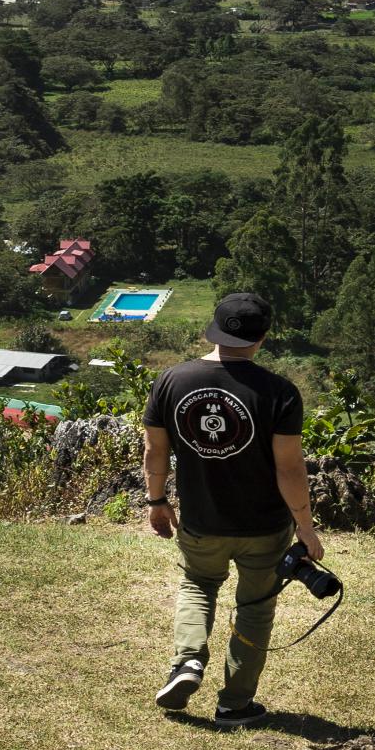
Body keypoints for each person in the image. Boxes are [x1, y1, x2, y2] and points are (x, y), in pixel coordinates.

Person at [142, 291, 321, 727]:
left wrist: (157, 500)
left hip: (202, 519)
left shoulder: (172, 380)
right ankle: (235, 704)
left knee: (198, 584)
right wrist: (306, 527)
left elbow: (154, 450)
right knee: (255, 606)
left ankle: (186, 663)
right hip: (264, 525)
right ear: (264, 336)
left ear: (214, 329)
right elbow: (290, 469)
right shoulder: (279, 392)